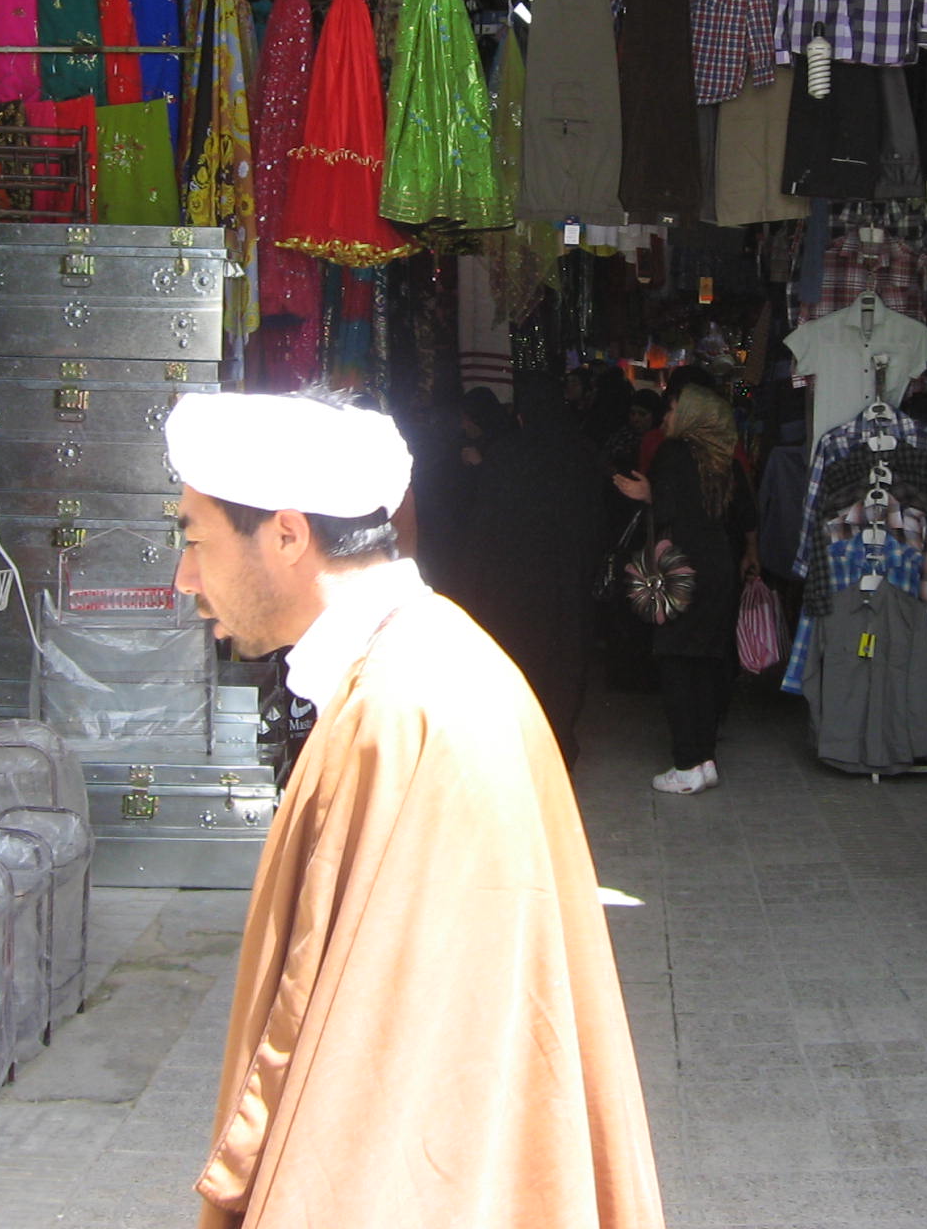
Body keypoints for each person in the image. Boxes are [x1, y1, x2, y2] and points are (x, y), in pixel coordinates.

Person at [165, 391, 663, 1228]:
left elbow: (390, 1081)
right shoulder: (414, 666)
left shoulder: (404, 709)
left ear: (286, 535)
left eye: (194, 541)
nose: (184, 579)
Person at [612, 385, 760, 795]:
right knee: (708, 663)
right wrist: (751, 552)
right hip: (720, 567)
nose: (666, 417)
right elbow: (746, 514)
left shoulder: (674, 453)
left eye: (673, 409)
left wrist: (646, 493)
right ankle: (705, 758)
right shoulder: (724, 459)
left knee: (676, 661)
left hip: (682, 569)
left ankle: (686, 763)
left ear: (693, 414)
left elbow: (670, 508)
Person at [457, 376, 611, 760]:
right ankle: (558, 742)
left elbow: (484, 524)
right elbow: (597, 519)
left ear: (523, 416)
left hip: (514, 582)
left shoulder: (506, 455)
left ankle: (520, 745)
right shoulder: (583, 453)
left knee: (519, 655)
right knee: (565, 656)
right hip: (568, 577)